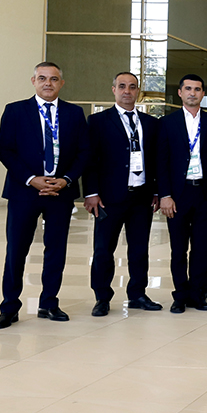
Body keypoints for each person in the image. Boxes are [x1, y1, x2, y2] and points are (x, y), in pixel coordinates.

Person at [0, 62, 88, 328]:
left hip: (60, 192)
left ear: (62, 83)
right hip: (24, 191)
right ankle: (9, 306)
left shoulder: (74, 113)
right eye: (43, 78)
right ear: (33, 81)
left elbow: (84, 152)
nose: (48, 83)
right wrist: (31, 179)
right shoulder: (15, 111)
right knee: (16, 250)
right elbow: (5, 150)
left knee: (56, 250)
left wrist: (66, 180)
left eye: (54, 79)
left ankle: (49, 303)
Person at [83, 71, 162, 316]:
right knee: (103, 250)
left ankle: (137, 294)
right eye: (122, 86)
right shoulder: (98, 121)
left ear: (138, 91)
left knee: (139, 250)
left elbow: (156, 160)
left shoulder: (151, 123)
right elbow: (90, 160)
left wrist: (157, 191)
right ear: (114, 90)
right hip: (109, 198)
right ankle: (102, 297)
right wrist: (91, 192)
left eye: (132, 86)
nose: (127, 91)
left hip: (141, 197)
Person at [157, 74, 207, 314]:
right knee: (178, 249)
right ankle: (180, 295)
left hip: (205, 194)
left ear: (203, 94)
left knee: (202, 248)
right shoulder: (167, 123)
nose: (192, 93)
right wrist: (165, 195)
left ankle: (198, 295)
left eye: (197, 89)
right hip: (178, 194)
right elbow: (161, 162)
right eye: (188, 88)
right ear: (180, 92)